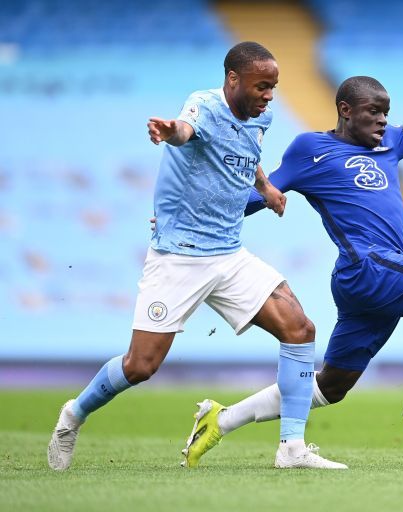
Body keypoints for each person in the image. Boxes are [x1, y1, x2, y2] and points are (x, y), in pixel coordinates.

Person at [180, 39, 403, 466]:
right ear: (346, 110)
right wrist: (194, 216)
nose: (383, 121)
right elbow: (266, 192)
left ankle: (219, 421)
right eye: (374, 112)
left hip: (377, 277)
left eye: (386, 113)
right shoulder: (310, 149)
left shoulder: (393, 143)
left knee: (330, 387)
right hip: (364, 266)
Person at [47, 42, 346, 471]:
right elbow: (186, 132)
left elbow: (248, 155)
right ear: (233, 79)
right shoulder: (202, 105)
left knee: (299, 328)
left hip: (228, 253)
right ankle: (73, 414)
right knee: (140, 365)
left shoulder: (263, 117)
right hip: (179, 257)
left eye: (274, 87)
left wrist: (266, 189)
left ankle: (292, 448)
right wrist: (171, 133)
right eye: (262, 86)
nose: (269, 96)